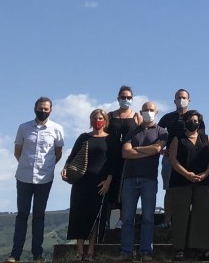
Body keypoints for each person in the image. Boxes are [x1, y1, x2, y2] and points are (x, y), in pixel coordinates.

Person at [7, 97, 65, 263]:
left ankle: (37, 255)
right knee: (22, 215)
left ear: (51, 110)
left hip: (44, 178)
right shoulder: (24, 127)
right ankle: (15, 254)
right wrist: (26, 164)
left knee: (39, 216)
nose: (43, 111)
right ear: (35, 108)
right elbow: (17, 150)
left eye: (46, 109)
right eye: (40, 108)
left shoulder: (57, 129)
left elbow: (58, 152)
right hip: (24, 176)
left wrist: (47, 167)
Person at [63, 109, 117, 262]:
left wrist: (108, 181)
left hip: (100, 184)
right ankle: (79, 253)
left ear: (105, 121)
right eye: (94, 118)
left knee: (95, 218)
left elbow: (114, 163)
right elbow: (72, 156)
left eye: (100, 118)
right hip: (81, 183)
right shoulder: (83, 137)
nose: (97, 120)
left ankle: (90, 253)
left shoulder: (111, 140)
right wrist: (65, 169)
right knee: (79, 216)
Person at [119, 102, 168, 261]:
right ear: (141, 112)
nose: (148, 112)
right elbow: (125, 153)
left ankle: (146, 252)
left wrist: (137, 150)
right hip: (129, 179)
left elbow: (157, 149)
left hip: (149, 179)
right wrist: (149, 150)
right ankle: (126, 252)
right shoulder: (132, 132)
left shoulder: (162, 132)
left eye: (151, 110)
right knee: (127, 217)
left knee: (148, 217)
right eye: (145, 110)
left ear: (156, 112)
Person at [168, 110, 209, 261]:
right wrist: (187, 174)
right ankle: (179, 249)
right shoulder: (177, 138)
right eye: (191, 120)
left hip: (202, 181)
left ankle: (202, 249)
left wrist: (206, 173)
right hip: (180, 182)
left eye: (196, 121)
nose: (193, 123)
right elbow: (173, 160)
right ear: (185, 122)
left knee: (202, 215)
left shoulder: (206, 138)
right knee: (180, 215)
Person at [158, 89, 204, 230]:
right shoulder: (167, 118)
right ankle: (167, 220)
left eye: (184, 97)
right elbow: (157, 134)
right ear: (174, 100)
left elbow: (201, 138)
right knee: (170, 189)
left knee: (189, 190)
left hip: (190, 159)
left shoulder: (196, 118)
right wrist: (160, 149)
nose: (181, 99)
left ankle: (188, 220)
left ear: (189, 100)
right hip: (169, 159)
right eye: (178, 97)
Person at [106, 86, 142, 228]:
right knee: (109, 187)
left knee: (125, 188)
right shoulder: (109, 116)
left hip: (128, 158)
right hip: (111, 156)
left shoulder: (136, 117)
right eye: (123, 97)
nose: (125, 100)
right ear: (118, 98)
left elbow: (140, 136)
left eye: (128, 97)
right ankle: (106, 220)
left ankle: (123, 219)